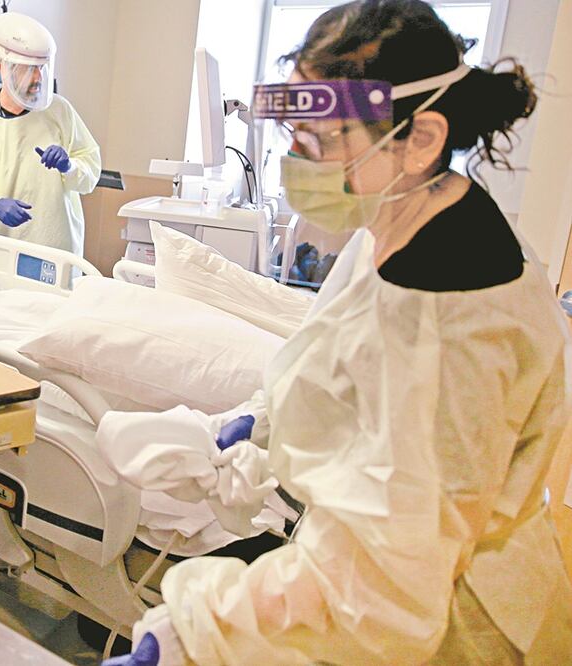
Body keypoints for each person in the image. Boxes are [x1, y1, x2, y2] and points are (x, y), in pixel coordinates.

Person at [103, 1, 572, 664]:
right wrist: (257, 429)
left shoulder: (457, 316)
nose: (300, 161)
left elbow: (385, 588)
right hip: (404, 590)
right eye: (295, 136)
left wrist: (198, 628)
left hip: (460, 623)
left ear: (421, 140)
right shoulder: (398, 224)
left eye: (321, 141)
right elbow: (344, 370)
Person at [0, 12, 101, 256]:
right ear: (1, 66)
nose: (38, 78)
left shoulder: (60, 112)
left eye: (41, 68)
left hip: (54, 250)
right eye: (29, 69)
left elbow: (90, 172)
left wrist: (70, 166)